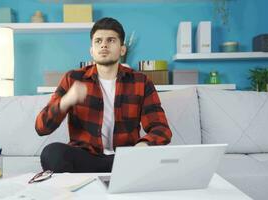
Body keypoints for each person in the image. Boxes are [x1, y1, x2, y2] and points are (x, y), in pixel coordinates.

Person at [35, 17, 172, 173]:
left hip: (125, 158)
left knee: (156, 159)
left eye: (111, 40)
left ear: (122, 49)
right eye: (98, 41)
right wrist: (66, 101)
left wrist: (142, 146)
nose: (104, 45)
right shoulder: (73, 78)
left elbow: (161, 128)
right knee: (51, 153)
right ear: (92, 51)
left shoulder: (141, 82)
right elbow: (41, 128)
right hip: (86, 158)